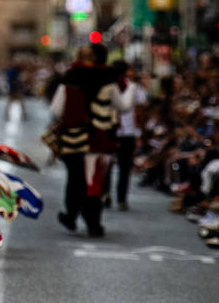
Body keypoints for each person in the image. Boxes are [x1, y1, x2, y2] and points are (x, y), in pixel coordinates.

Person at [48, 44, 118, 238]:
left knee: (74, 179)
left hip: (74, 138)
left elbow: (55, 109)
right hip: (100, 138)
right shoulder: (109, 79)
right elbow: (121, 106)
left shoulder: (71, 77)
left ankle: (72, 214)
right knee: (95, 181)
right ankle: (94, 222)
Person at [112, 61, 147, 210]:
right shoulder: (133, 87)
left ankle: (105, 193)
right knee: (125, 167)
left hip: (113, 131)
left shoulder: (108, 85)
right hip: (126, 132)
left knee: (107, 164)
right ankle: (121, 199)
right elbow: (139, 110)